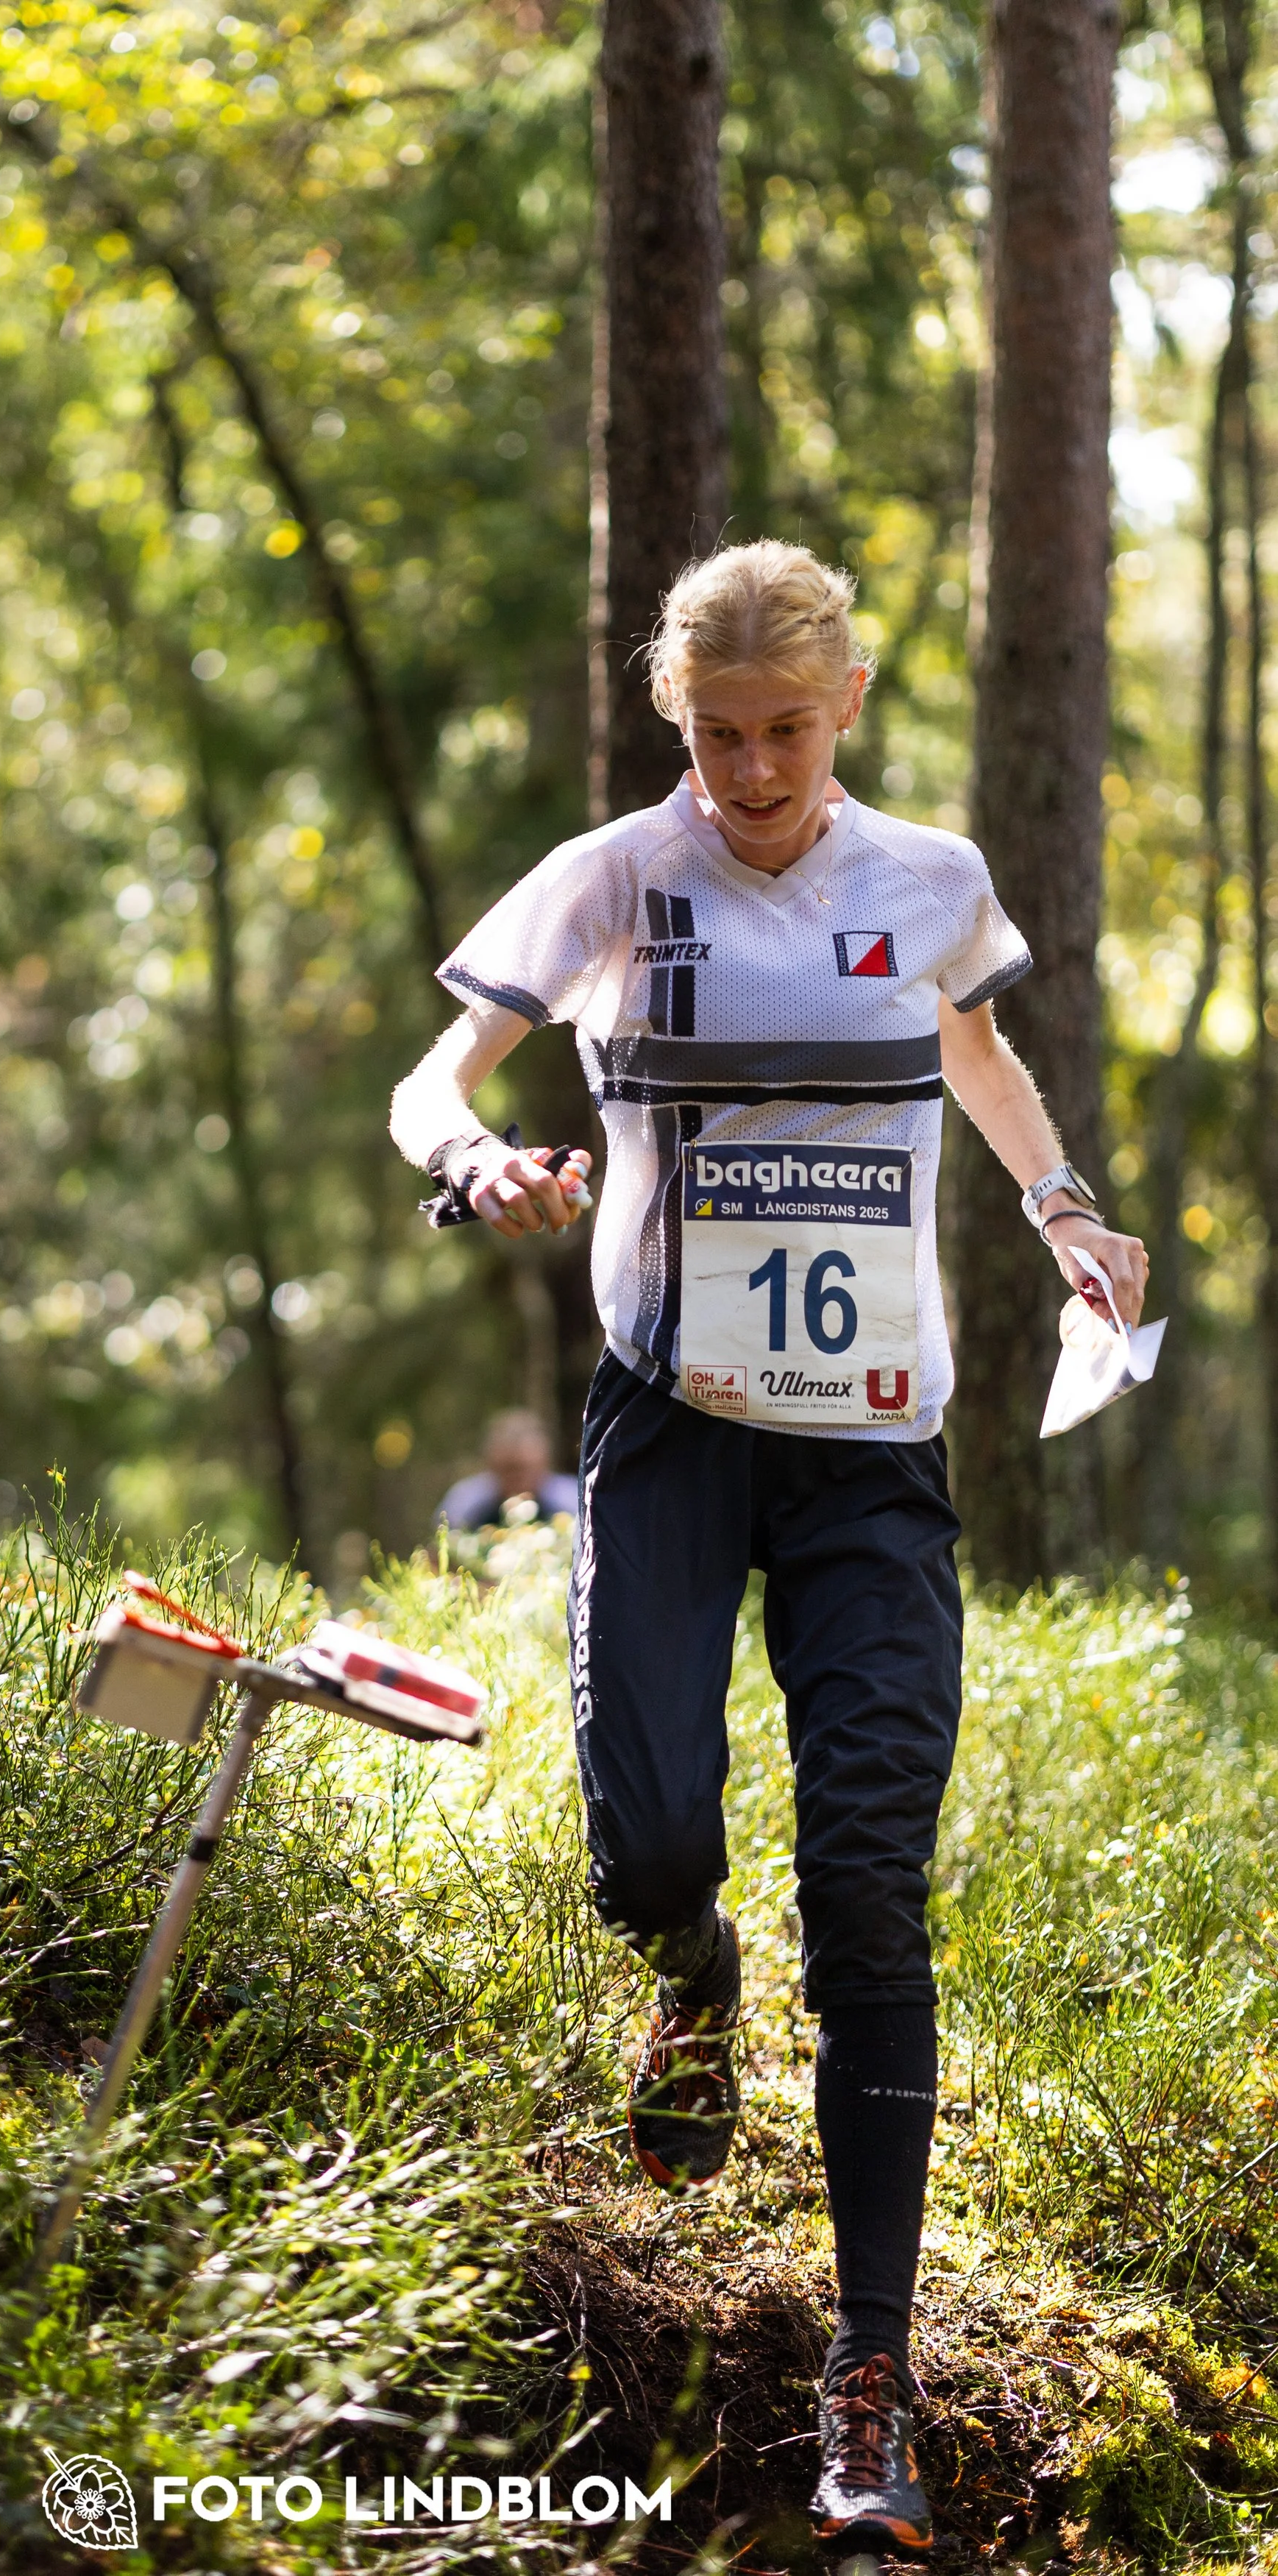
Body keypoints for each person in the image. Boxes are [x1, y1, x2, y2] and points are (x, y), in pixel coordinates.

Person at [388, 540, 1146, 2558]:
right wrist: (480, 1160)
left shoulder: (927, 879)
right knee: (648, 1839)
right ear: (674, 720)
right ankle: (688, 1959)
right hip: (665, 1420)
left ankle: (865, 2382)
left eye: (784, 733)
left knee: (871, 1878)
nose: (747, 771)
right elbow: (428, 1073)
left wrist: (1063, 1207)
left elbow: (973, 1055)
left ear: (847, 703)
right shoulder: (615, 879)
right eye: (714, 735)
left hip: (870, 1448)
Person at [436, 1408, 578, 1532]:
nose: (516, 1479)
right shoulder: (465, 1502)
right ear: (490, 1466)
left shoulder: (573, 1500)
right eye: (508, 1470)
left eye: (523, 1469)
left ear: (544, 1464)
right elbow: (439, 1549)